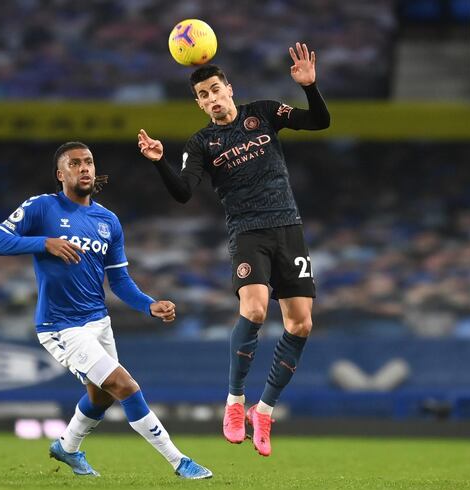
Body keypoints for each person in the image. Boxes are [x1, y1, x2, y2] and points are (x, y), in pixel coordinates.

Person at [137, 43, 330, 457]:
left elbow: (319, 121)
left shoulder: (263, 112)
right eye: (203, 96)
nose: (211, 99)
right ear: (199, 103)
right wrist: (158, 161)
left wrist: (310, 88)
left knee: (301, 325)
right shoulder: (202, 142)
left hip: (288, 227)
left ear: (229, 89)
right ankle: (235, 402)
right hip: (248, 232)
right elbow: (184, 192)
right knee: (256, 309)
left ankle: (265, 411)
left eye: (215, 90)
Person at [0, 142, 212, 479]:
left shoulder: (107, 221)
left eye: (88, 162)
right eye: (75, 164)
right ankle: (179, 462)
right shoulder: (41, 207)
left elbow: (119, 281)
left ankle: (67, 447)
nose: (84, 168)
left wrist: (150, 305)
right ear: (61, 174)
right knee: (125, 386)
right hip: (61, 325)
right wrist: (43, 242)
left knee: (102, 396)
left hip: (98, 322)